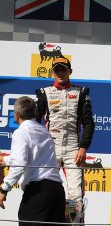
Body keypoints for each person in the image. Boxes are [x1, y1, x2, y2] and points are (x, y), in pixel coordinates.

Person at [36, 57, 95, 223]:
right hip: (50, 148)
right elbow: (34, 123)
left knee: (76, 195)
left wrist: (83, 147)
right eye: (57, 70)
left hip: (73, 148)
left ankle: (74, 223)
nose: (60, 73)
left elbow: (88, 123)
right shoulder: (44, 93)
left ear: (70, 71)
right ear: (53, 72)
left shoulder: (81, 92)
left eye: (63, 69)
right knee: (46, 190)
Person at [0, 96, 65, 225]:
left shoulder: (21, 132)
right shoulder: (44, 131)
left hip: (38, 192)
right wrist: (5, 160)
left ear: (16, 115)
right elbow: (33, 157)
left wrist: (4, 189)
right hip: (57, 192)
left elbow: (20, 164)